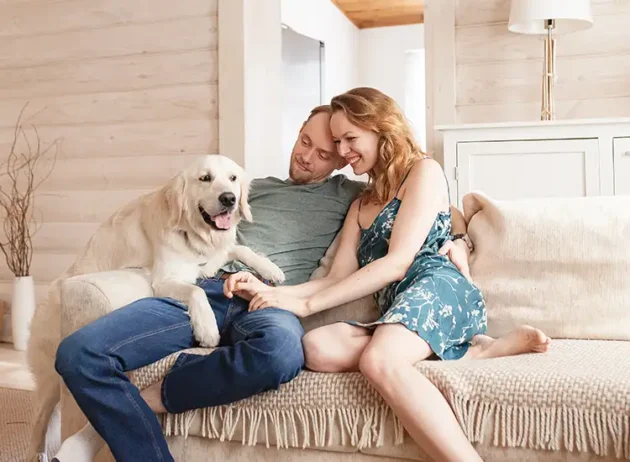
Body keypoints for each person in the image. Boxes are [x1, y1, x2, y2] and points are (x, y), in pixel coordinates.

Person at [51, 104, 470, 462]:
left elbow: (437, 206)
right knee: (78, 354)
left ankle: (155, 396)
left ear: (341, 160)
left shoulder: (351, 194)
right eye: (305, 141)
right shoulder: (243, 185)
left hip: (272, 303)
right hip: (208, 287)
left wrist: (458, 239)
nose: (308, 157)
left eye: (325, 153)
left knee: (282, 353)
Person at [225, 88, 551, 462]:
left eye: (351, 139)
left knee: (378, 361)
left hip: (437, 288)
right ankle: (478, 352)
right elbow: (336, 278)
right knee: (317, 348)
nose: (344, 152)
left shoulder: (423, 171)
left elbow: (399, 262)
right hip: (398, 306)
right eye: (338, 141)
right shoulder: (361, 203)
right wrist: (276, 293)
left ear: (381, 128)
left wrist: (461, 240)